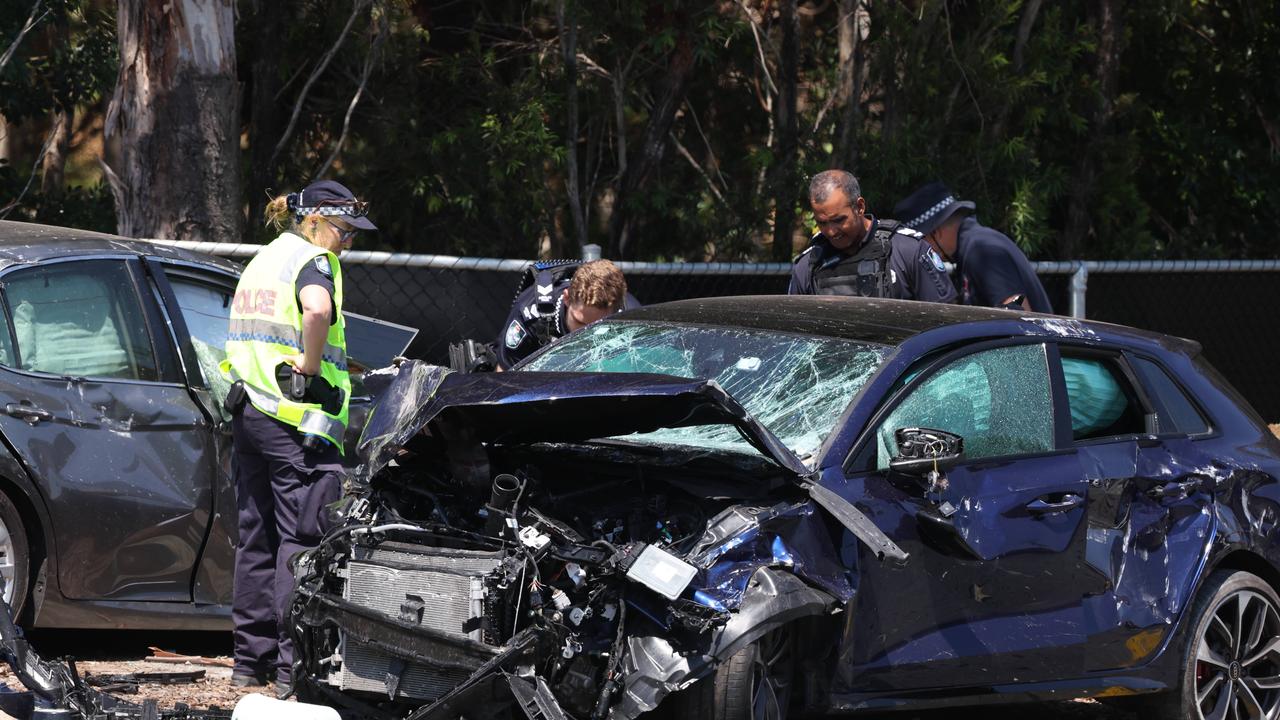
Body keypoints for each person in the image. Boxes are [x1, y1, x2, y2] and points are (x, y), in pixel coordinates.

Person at [220, 180, 374, 689]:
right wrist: (310, 366)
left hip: (252, 412)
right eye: (343, 231)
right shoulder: (314, 261)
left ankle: (249, 665)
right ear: (313, 222)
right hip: (296, 423)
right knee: (301, 543)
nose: (346, 244)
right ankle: (292, 670)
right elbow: (316, 310)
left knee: (256, 539)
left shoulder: (264, 259)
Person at [789, 170, 956, 302]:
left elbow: (945, 320)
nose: (831, 231)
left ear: (860, 207)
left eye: (838, 220)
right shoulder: (808, 266)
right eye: (822, 223)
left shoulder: (908, 251)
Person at [893, 181, 1052, 313]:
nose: (925, 251)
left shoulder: (981, 250)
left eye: (922, 242)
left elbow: (1019, 317)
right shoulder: (972, 247)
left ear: (936, 232)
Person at [496, 258, 639, 370]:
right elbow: (505, 375)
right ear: (567, 299)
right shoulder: (532, 314)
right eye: (580, 322)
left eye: (598, 326)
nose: (586, 333)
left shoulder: (631, 318)